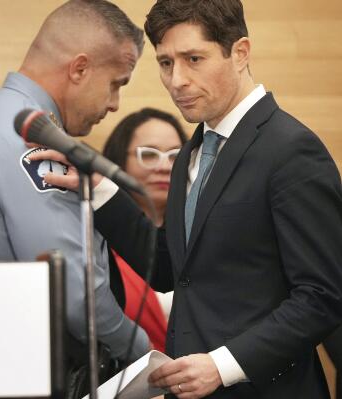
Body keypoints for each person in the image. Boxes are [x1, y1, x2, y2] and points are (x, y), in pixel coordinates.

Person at [38, 0, 342, 397]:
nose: (177, 80)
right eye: (166, 63)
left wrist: (223, 365)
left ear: (240, 53)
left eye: (193, 58)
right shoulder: (191, 152)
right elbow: (171, 268)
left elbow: (324, 297)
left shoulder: (292, 149)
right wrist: (99, 188)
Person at [0, 0, 150, 367]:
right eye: (115, 84)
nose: (114, 104)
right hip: (6, 369)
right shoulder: (31, 138)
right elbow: (77, 296)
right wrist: (144, 350)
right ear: (79, 69)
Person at [103, 107, 187, 353]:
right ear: (119, 162)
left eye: (175, 156)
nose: (164, 167)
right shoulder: (97, 240)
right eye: (149, 155)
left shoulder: (204, 234)